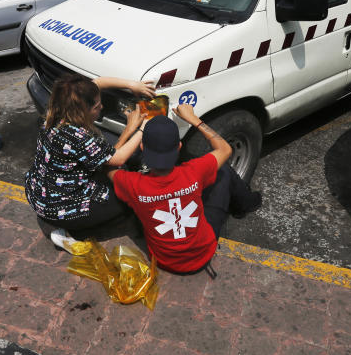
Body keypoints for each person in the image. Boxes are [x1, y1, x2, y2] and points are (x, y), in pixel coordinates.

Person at [108, 104, 262, 274]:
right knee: (223, 171)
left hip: (164, 261)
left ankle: (247, 203)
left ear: (143, 148)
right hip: (203, 254)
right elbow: (225, 149)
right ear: (179, 147)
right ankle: (247, 204)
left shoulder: (132, 184)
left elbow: (109, 164)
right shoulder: (194, 171)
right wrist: (193, 118)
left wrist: (131, 130)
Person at [24, 73, 155, 233]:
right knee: (130, 196)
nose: (102, 108)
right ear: (81, 111)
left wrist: (132, 84)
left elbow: (98, 83)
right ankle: (70, 232)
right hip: (60, 210)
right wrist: (143, 127)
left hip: (38, 193)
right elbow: (118, 159)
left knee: (107, 168)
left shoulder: (58, 109)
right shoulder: (77, 137)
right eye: (96, 107)